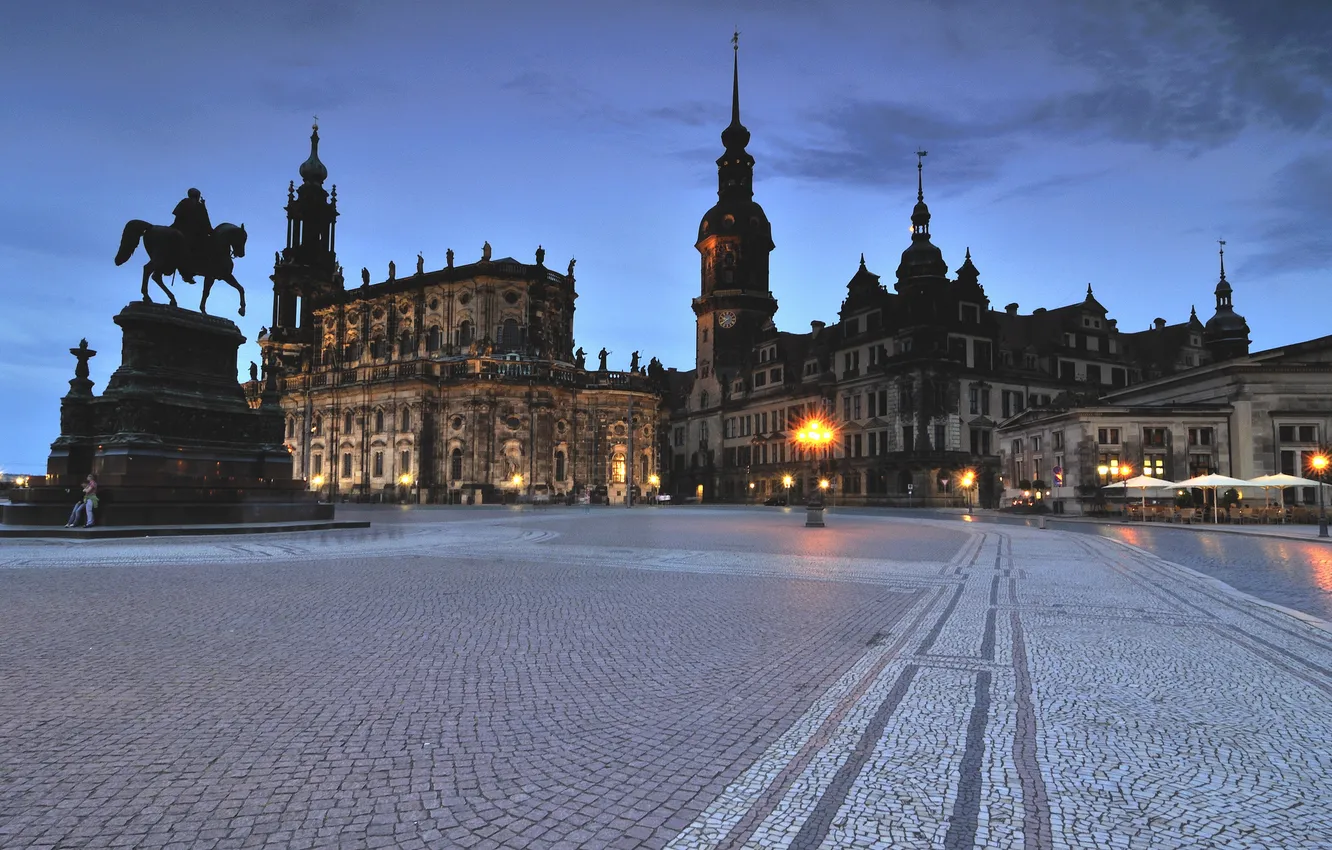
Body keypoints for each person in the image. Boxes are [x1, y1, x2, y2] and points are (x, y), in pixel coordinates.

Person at [171, 188, 213, 283]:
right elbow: (205, 221)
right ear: (197, 195)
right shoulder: (199, 206)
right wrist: (210, 231)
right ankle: (192, 271)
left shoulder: (184, 202)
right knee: (205, 246)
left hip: (178, 228)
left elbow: (177, 215)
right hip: (194, 232)